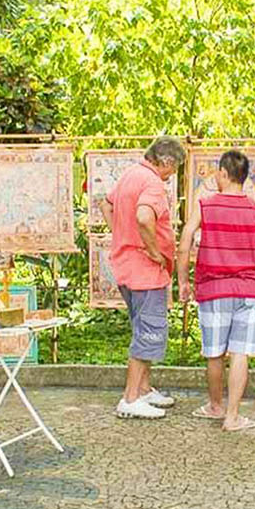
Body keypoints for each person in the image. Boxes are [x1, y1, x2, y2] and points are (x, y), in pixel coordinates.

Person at [177, 150, 255, 432]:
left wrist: (183, 281)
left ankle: (215, 406)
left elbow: (185, 244)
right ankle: (232, 417)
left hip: (213, 290)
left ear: (223, 173)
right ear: (243, 178)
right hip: (247, 291)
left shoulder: (205, 206)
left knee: (214, 354)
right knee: (240, 354)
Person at [100, 135, 185, 419]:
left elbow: (106, 205)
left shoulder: (130, 175)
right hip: (145, 271)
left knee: (141, 327)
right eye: (173, 171)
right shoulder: (151, 183)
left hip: (125, 266)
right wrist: (153, 250)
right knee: (147, 332)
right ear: (166, 161)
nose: (172, 177)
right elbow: (145, 217)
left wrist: (120, 236)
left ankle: (145, 388)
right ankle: (130, 398)